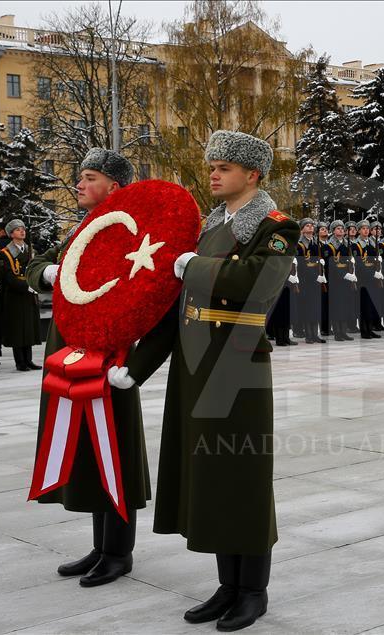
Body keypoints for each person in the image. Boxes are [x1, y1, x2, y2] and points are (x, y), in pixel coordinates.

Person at [162, 130, 299, 631]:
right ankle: (227, 585)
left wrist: (193, 266)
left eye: (224, 167)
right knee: (213, 476)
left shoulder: (277, 226)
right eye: (212, 166)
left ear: (252, 174)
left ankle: (253, 590)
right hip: (199, 360)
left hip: (240, 363)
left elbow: (254, 282)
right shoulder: (212, 225)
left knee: (244, 477)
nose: (213, 174)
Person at [27, 147, 158, 587]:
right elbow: (34, 265)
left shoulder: (131, 234)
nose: (79, 184)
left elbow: (142, 291)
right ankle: (101, 547)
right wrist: (51, 273)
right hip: (69, 350)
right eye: (80, 177)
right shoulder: (81, 230)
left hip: (107, 354)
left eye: (89, 177)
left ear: (114, 187)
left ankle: (119, 552)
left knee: (113, 448)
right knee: (87, 449)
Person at [0, 219, 42, 370]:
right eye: (17, 229)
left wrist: (36, 283)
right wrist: (27, 286)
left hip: (29, 293)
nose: (22, 231)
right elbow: (8, 276)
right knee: (17, 328)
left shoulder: (30, 250)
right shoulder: (5, 253)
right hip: (15, 294)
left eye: (23, 229)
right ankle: (20, 361)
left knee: (28, 327)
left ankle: (28, 360)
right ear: (11, 234)